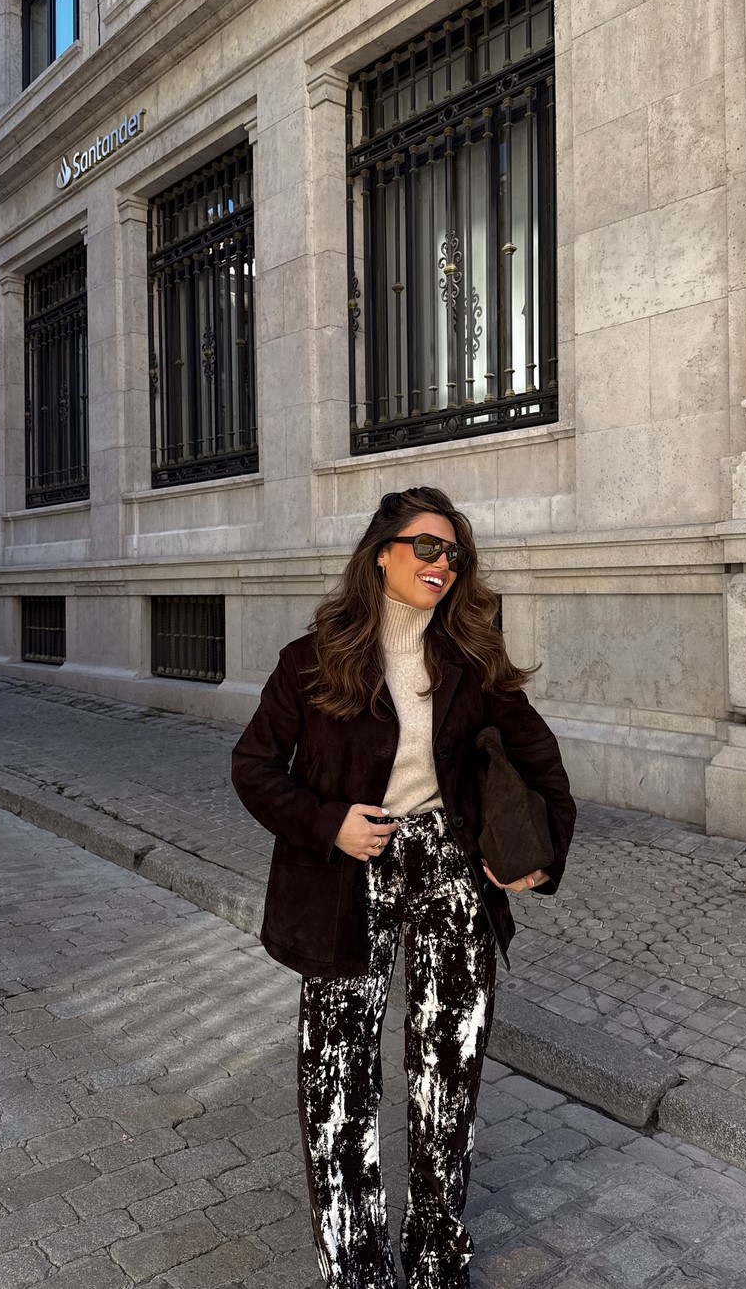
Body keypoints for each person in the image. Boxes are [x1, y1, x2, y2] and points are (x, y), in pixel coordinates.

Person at [231, 486, 575, 1289]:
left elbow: (542, 763)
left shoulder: (472, 661)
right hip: (345, 881)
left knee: (447, 1075)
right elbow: (253, 767)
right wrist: (328, 825)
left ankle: (435, 1254)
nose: (442, 562)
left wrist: (539, 856)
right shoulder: (312, 658)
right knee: (337, 1076)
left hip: (450, 875)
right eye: (426, 546)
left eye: (453, 552)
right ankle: (354, 1264)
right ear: (382, 552)